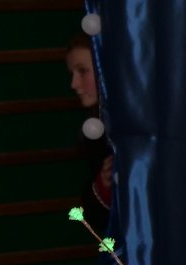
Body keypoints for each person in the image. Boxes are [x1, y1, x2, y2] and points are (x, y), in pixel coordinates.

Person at [65, 32, 112, 230]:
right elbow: (96, 218)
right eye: (72, 74)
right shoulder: (95, 135)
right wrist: (103, 186)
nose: (74, 84)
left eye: (83, 71)